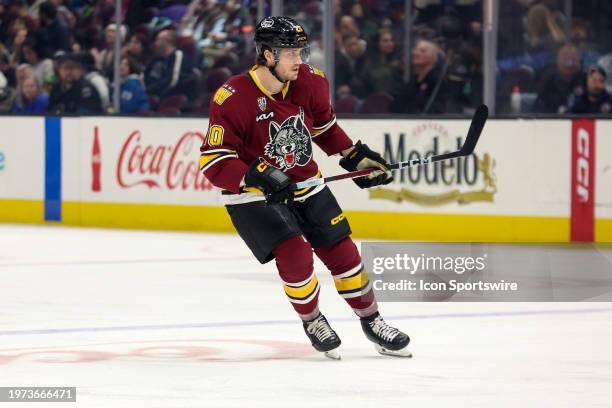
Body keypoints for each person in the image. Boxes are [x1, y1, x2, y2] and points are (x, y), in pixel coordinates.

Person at [199, 16, 411, 359]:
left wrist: (354, 156)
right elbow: (214, 161)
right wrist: (262, 175)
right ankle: (312, 320)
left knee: (344, 254)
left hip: (305, 184)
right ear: (267, 55)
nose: (300, 60)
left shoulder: (310, 82)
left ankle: (372, 320)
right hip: (253, 195)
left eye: (301, 51)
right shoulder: (233, 96)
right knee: (295, 253)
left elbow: (324, 128)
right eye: (290, 53)